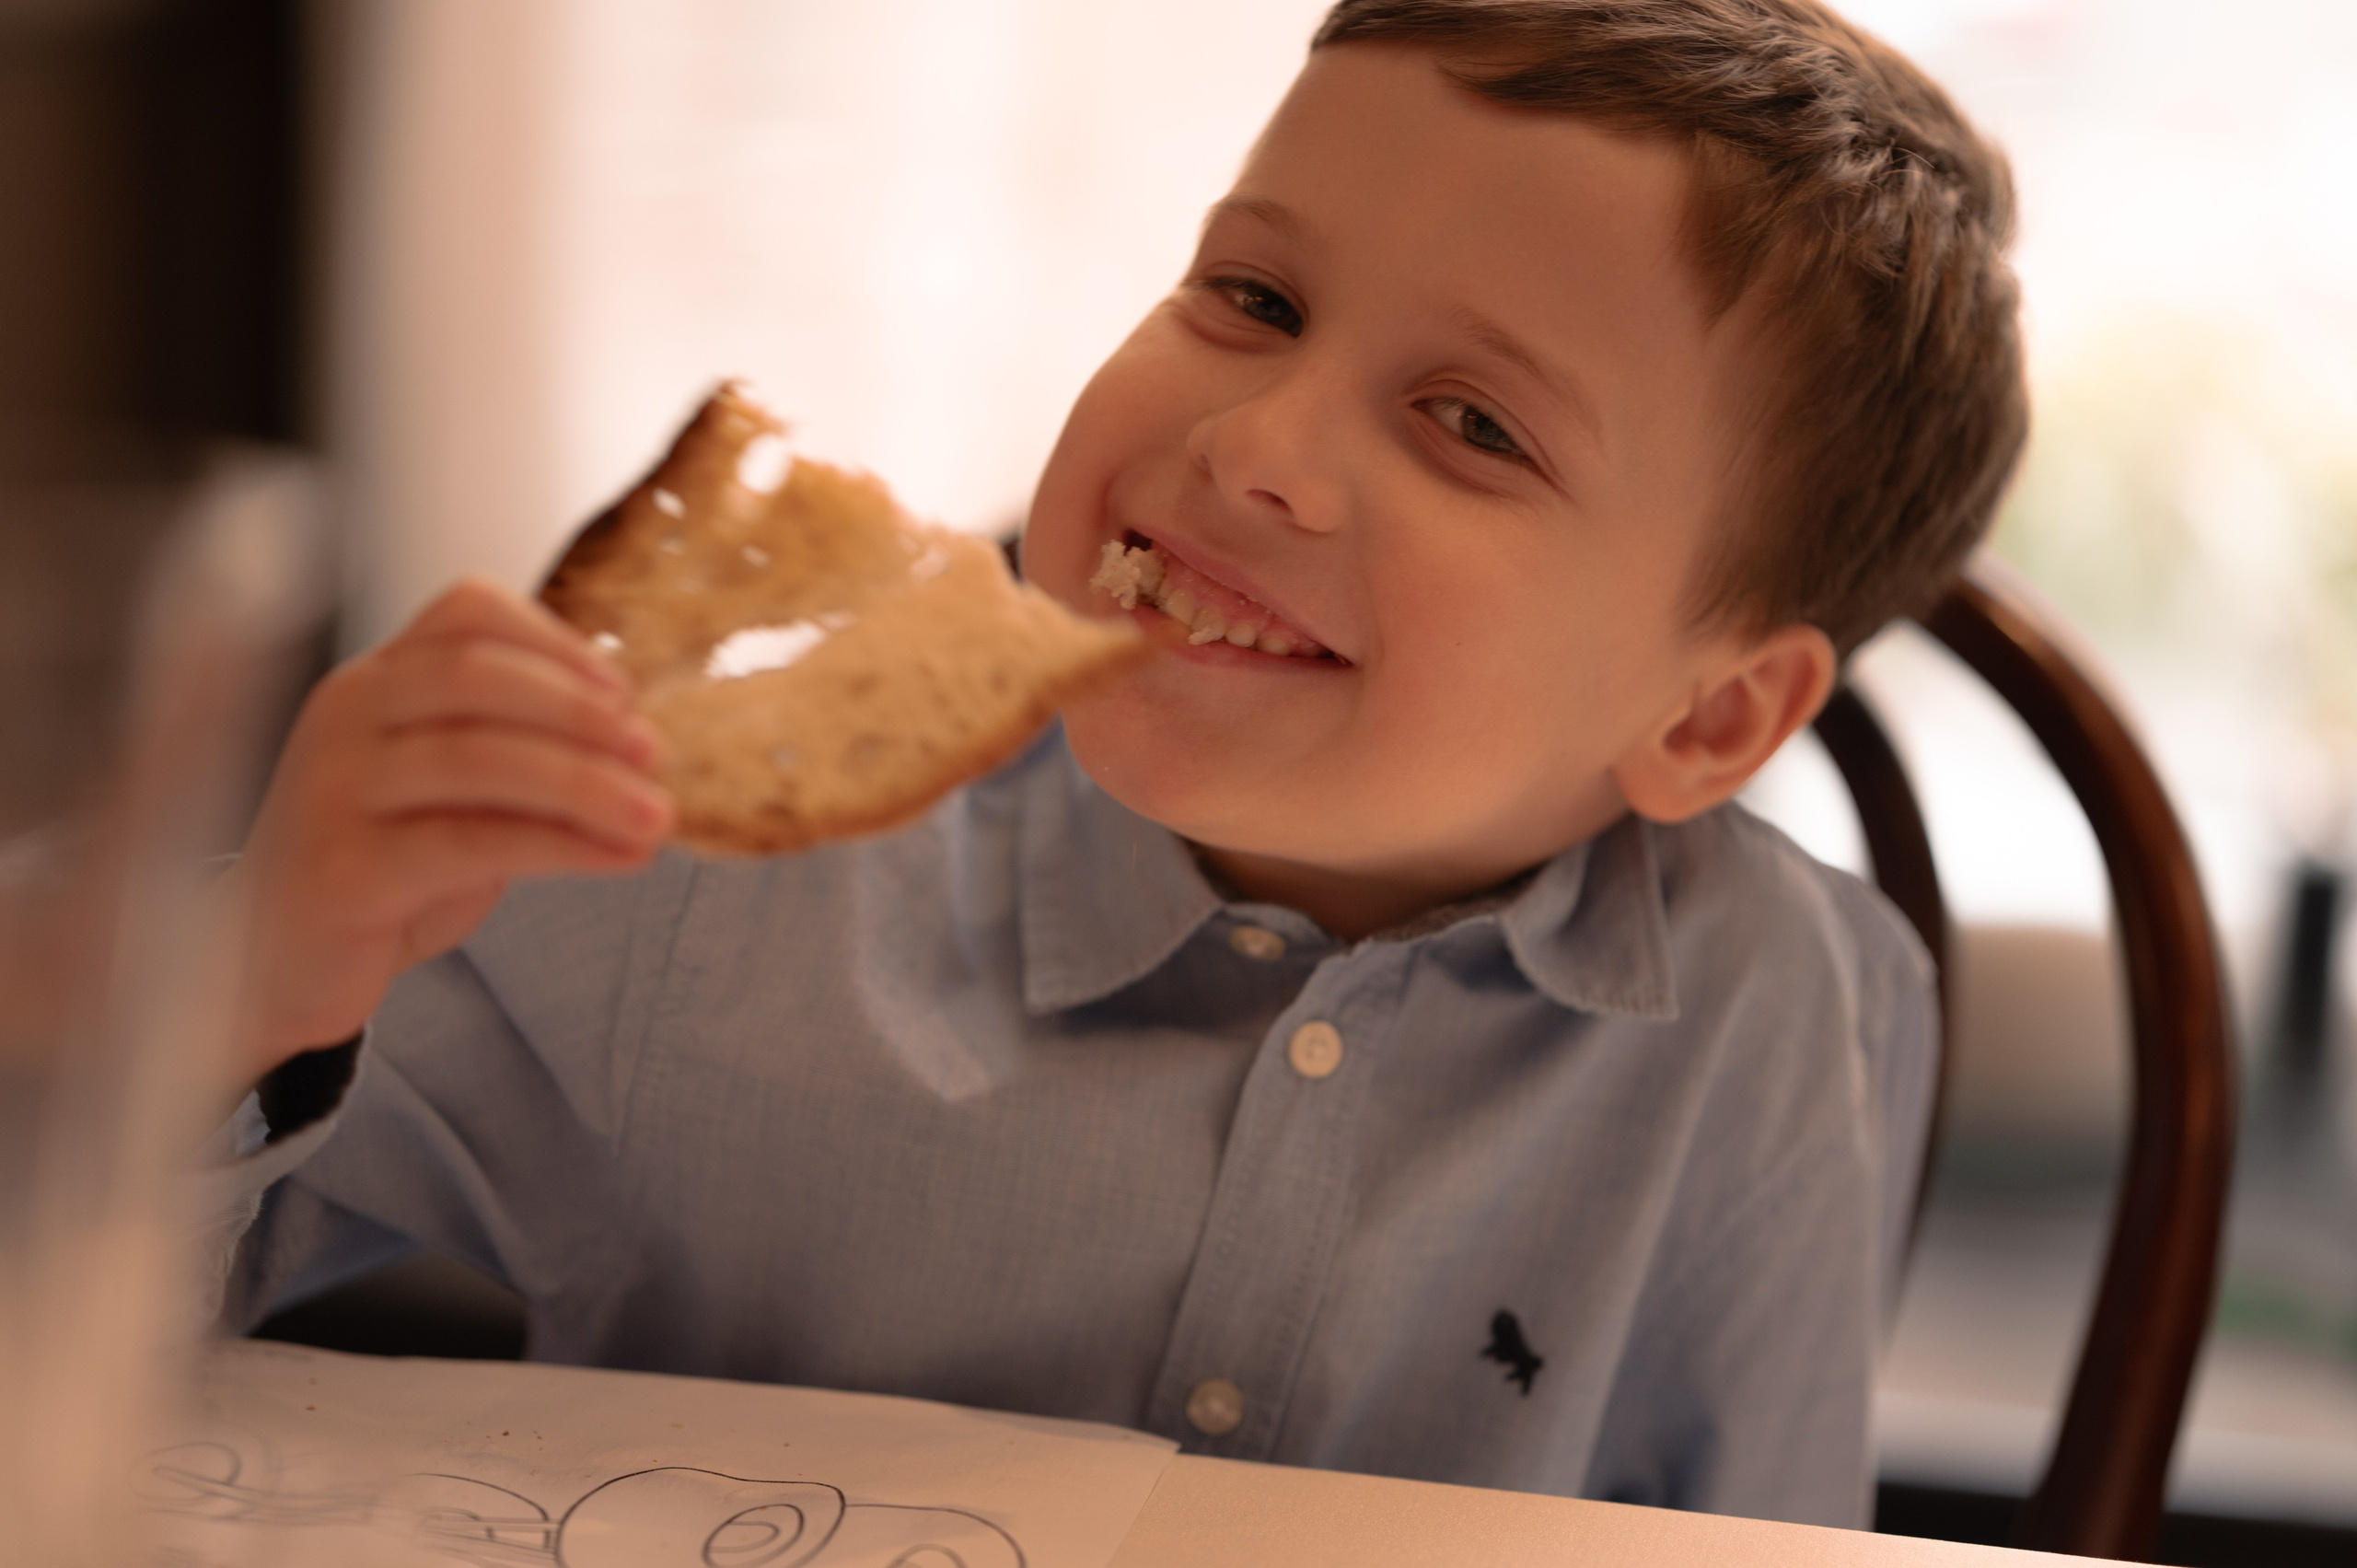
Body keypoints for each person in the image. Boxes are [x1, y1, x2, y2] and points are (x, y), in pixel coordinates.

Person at [207, 0, 2023, 1528]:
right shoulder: (683, 869)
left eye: (1468, 424)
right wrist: (249, 973)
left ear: (1707, 720)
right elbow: (89, 1311)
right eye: (1250, 296)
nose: (1254, 446)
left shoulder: (1779, 1019)